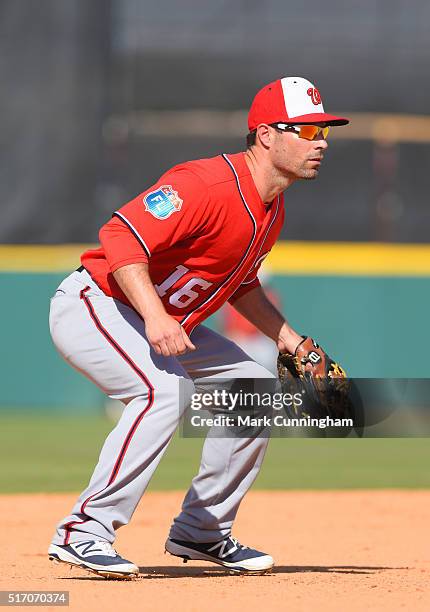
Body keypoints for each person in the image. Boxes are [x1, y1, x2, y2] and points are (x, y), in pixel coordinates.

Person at [48, 76, 349, 579]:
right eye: (305, 131)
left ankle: (202, 531)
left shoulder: (271, 210)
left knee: (252, 387)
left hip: (155, 322)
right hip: (97, 303)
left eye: (323, 133)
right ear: (267, 135)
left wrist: (291, 341)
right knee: (164, 392)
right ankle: (85, 531)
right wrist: (155, 315)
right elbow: (120, 237)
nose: (318, 144)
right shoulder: (205, 184)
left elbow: (240, 284)